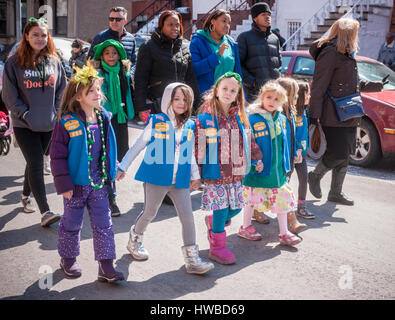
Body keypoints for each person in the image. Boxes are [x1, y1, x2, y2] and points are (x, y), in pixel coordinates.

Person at [116, 83, 214, 275]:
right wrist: (123, 166)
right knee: (149, 213)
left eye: (185, 99)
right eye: (176, 98)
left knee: (187, 218)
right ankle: (135, 239)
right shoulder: (157, 121)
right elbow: (138, 145)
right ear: (168, 99)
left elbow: (191, 154)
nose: (181, 103)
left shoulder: (190, 125)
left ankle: (192, 260)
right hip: (156, 178)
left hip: (181, 181)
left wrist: (196, 177)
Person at [50, 61, 124, 282]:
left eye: (98, 89)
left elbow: (108, 147)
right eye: (90, 90)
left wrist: (115, 166)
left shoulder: (103, 118)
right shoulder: (67, 122)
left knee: (104, 224)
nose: (97, 93)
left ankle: (106, 265)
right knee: (72, 224)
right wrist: (63, 185)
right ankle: (68, 258)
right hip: (76, 185)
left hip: (99, 184)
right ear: (78, 97)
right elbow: (57, 156)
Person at [308, 18, 384, 206]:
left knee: (346, 152)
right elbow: (318, 86)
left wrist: (375, 85)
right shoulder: (330, 53)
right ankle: (315, 176)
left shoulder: (347, 54)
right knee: (338, 153)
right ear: (347, 33)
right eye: (355, 32)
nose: (356, 36)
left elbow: (351, 84)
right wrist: (313, 115)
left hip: (349, 113)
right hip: (332, 114)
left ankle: (335, 193)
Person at [2, 17, 66, 226]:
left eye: (43, 35)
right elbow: (9, 95)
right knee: (37, 162)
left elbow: (62, 90)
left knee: (34, 161)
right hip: (25, 124)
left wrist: (57, 112)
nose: (40, 38)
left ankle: (24, 196)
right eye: (35, 35)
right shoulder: (14, 63)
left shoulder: (54, 61)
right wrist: (25, 114)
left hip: (49, 124)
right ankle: (45, 211)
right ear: (27, 37)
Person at [195, 72, 263, 264]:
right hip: (215, 172)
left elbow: (247, 139)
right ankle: (217, 248)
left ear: (238, 94)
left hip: (236, 171)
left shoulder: (239, 116)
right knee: (221, 209)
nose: (228, 92)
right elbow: (198, 146)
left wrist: (257, 157)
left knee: (236, 208)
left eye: (233, 90)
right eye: (224, 88)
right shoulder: (205, 117)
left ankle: (213, 222)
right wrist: (195, 173)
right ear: (216, 90)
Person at [241, 81, 302, 246]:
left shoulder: (281, 119)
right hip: (258, 169)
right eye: (268, 97)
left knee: (282, 199)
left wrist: (291, 158)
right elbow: (247, 142)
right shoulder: (252, 118)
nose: (271, 101)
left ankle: (284, 232)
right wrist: (253, 161)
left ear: (282, 102)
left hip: (277, 170)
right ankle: (245, 226)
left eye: (276, 99)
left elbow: (284, 143)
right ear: (262, 97)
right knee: (251, 200)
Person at [134, 10, 200, 123]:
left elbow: (190, 79)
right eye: (170, 25)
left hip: (181, 106)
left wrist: (196, 106)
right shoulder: (148, 47)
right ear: (161, 26)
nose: (175, 28)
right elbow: (140, 79)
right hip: (157, 106)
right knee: (159, 139)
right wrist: (141, 107)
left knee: (179, 139)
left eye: (177, 25)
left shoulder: (184, 47)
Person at [93, 39, 135, 216]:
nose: (111, 56)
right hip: (102, 119)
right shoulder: (97, 74)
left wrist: (133, 112)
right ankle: (111, 199)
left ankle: (104, 190)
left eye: (114, 53)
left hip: (119, 119)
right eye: (107, 53)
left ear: (120, 55)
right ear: (101, 56)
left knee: (120, 153)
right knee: (106, 157)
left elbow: (128, 94)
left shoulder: (124, 73)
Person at [275, 77, 306, 233]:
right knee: (284, 191)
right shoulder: (278, 117)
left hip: (289, 161)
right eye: (293, 95)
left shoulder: (292, 113)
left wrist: (296, 152)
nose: (296, 99)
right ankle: (292, 222)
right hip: (279, 162)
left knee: (268, 191)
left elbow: (292, 138)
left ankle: (256, 211)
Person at [189, 9, 242, 95]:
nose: (227, 25)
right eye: (224, 21)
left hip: (228, 97)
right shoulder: (198, 41)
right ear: (213, 21)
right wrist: (217, 56)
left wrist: (241, 95)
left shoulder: (231, 43)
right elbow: (195, 69)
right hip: (207, 97)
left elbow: (237, 73)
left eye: (229, 22)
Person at [237, 2, 282, 102]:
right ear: (255, 18)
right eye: (263, 15)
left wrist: (278, 81)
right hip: (254, 93)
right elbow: (238, 64)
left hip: (274, 92)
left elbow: (279, 64)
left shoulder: (275, 38)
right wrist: (252, 82)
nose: (267, 17)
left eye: (269, 14)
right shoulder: (244, 37)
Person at [88, 6, 136, 74]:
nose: (114, 22)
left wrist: (130, 75)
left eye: (118, 19)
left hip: (124, 81)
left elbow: (133, 62)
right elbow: (90, 61)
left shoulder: (131, 39)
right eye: (111, 19)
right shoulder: (100, 37)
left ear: (125, 21)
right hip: (105, 81)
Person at [294, 81, 315, 219]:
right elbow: (290, 134)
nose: (309, 96)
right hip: (292, 153)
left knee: (303, 178)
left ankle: (301, 207)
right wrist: (297, 149)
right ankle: (260, 208)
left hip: (302, 154)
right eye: (307, 94)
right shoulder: (292, 113)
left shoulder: (305, 111)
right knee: (283, 182)